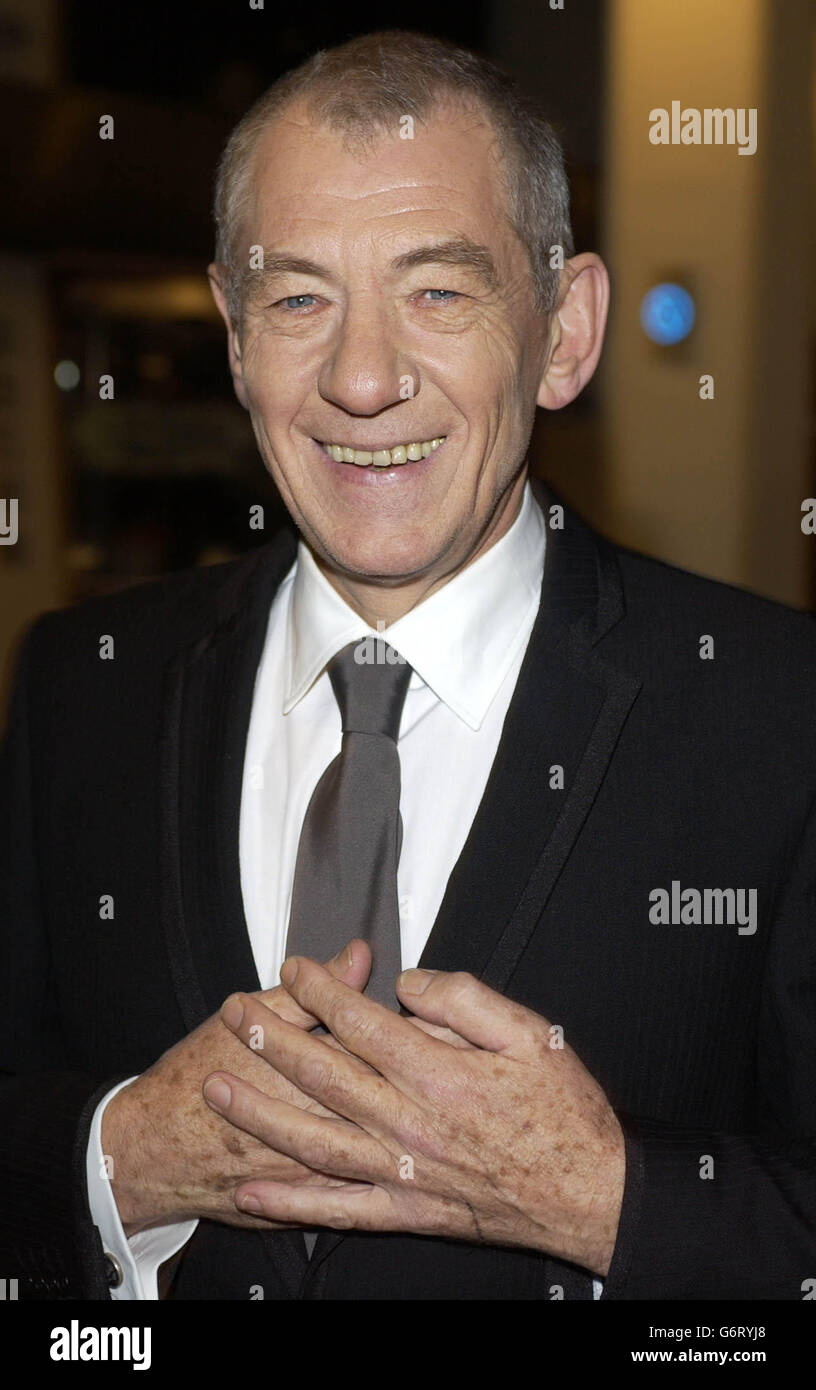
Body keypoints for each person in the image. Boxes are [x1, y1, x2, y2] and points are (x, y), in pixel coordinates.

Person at [1, 29, 814, 1303]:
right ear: (231, 333)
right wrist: (115, 1157)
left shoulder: (780, 715)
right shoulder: (77, 685)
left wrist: (609, 1200)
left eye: (438, 291)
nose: (363, 379)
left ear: (564, 330)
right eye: (298, 299)